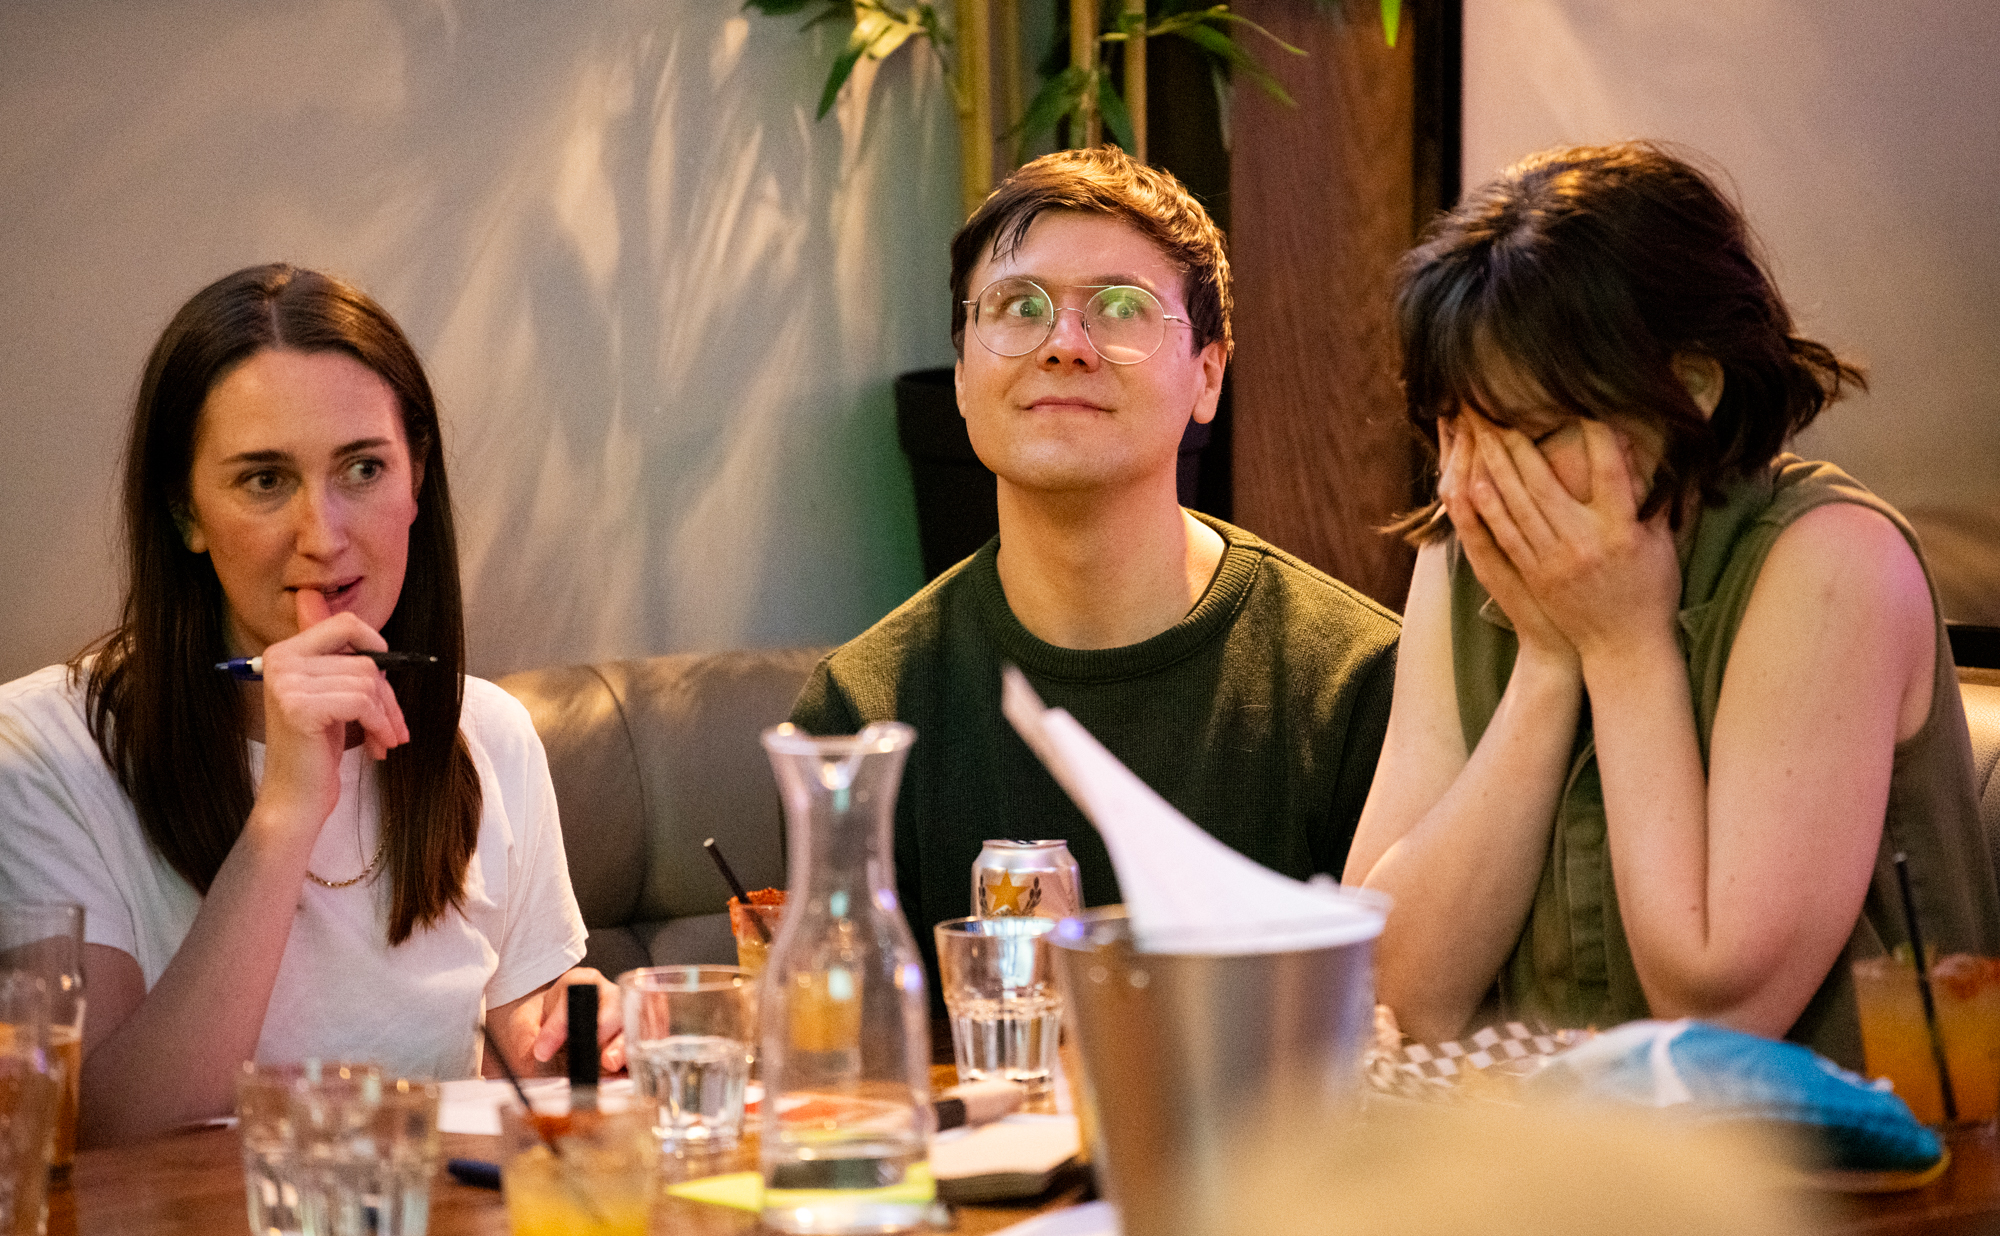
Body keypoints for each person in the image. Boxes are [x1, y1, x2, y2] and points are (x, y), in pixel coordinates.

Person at [1344, 142, 2000, 1067]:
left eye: (1535, 435)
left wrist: (1623, 644)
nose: (1473, 485)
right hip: (1545, 1145)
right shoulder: (1466, 549)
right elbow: (1388, 986)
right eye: (1454, 429)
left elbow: (1715, 1007)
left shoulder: (1832, 562)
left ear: (1688, 393)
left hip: (1823, 1153)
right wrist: (1548, 662)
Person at [0, 264, 617, 1145]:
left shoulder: (489, 735)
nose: (324, 536)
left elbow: (517, 1057)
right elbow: (99, 1142)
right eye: (264, 480)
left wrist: (572, 1035)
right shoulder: (41, 751)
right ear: (185, 511)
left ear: (416, 479)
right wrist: (286, 813)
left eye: (363, 468)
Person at [791, 146, 1401, 991]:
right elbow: (837, 1042)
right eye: (1019, 306)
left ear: (1209, 375)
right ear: (962, 377)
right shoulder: (862, 714)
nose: (1064, 345)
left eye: (1120, 307)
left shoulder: (1356, 683)